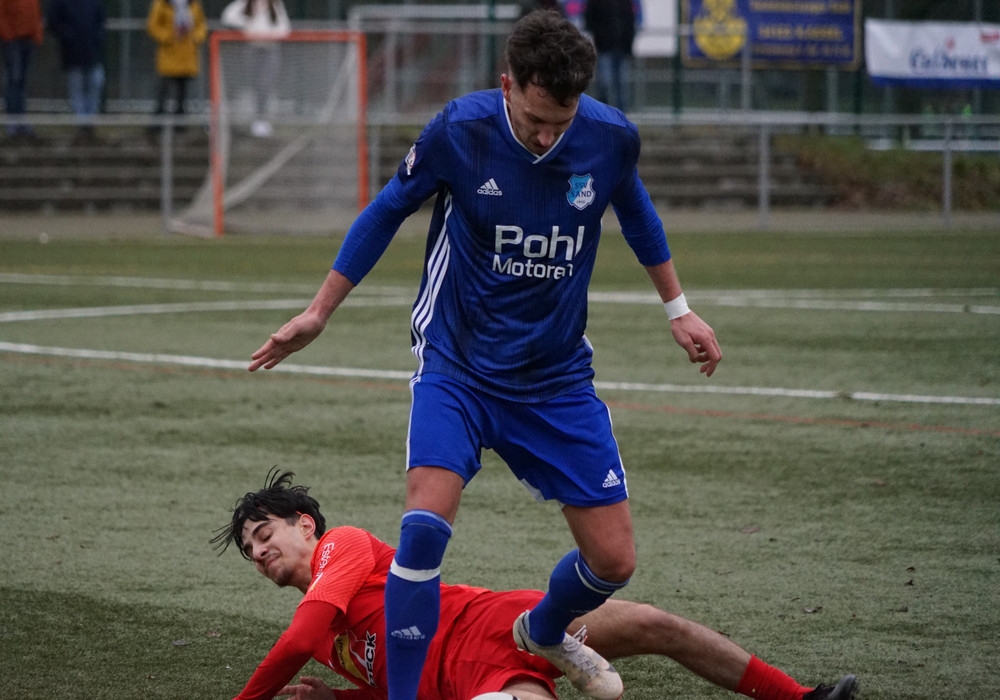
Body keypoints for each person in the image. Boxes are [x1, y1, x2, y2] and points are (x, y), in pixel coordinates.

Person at [249, 10, 722, 700]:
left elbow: (637, 211)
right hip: (458, 364)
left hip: (554, 375)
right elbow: (386, 210)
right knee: (423, 530)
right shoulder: (460, 131)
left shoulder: (610, 137)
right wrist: (320, 309)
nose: (548, 136)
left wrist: (678, 309)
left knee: (614, 561)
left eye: (561, 122)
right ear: (508, 85)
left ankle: (545, 629)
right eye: (535, 120)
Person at [212, 469, 860, 700]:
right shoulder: (332, 645)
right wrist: (341, 698)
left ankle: (799, 697)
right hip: (474, 680)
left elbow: (297, 640)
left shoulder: (343, 546)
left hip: (503, 623)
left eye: (264, 534)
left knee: (654, 623)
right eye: (249, 551)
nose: (259, 551)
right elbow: (402, 684)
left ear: (305, 525)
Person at [221, 0, 291, 138]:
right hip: (252, 48)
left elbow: (285, 28)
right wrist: (248, 22)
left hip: (270, 49)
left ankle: (261, 119)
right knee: (253, 84)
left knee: (265, 84)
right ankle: (244, 119)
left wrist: (269, 35)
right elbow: (227, 17)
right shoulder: (245, 3)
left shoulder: (275, 4)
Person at [45, 0, 106, 143]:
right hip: (72, 51)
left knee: (96, 81)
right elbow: (53, 20)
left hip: (92, 49)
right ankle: (82, 123)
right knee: (76, 86)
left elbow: (100, 18)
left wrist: (98, 36)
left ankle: (89, 119)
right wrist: (67, 35)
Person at [146, 0, 208, 131]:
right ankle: (157, 124)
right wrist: (169, 37)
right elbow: (153, 26)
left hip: (187, 55)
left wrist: (195, 38)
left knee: (182, 91)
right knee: (163, 89)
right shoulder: (162, 4)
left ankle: (180, 124)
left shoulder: (193, 4)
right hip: (169, 53)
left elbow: (201, 26)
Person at [584, 0, 640, 112]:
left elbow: (630, 21)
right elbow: (589, 19)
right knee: (605, 82)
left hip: (622, 47)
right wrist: (600, 36)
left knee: (622, 85)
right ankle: (603, 112)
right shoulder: (596, 2)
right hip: (604, 47)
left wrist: (628, 42)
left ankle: (621, 115)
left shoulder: (625, 2)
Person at [0, 0, 43, 140]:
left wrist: (37, 34)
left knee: (22, 82)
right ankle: (12, 121)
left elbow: (35, 12)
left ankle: (21, 119)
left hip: (28, 40)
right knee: (14, 79)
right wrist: (8, 36)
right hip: (13, 41)